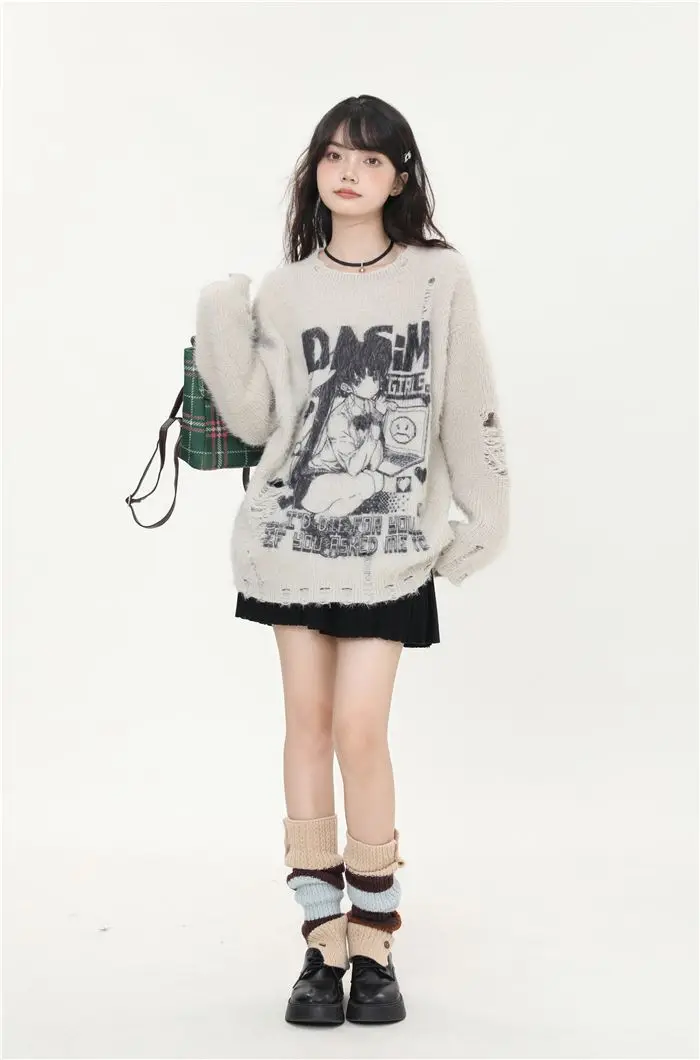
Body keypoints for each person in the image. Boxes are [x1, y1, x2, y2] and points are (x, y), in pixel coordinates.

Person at [194, 94, 510, 1026]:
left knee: (360, 731)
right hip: (291, 542)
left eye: (371, 160)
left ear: (400, 177)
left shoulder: (437, 277)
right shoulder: (286, 289)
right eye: (334, 155)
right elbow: (259, 420)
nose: (349, 172)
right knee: (308, 726)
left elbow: (466, 397)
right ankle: (321, 943)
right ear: (315, 170)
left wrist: (486, 514)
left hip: (390, 548)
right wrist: (221, 311)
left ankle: (374, 941)